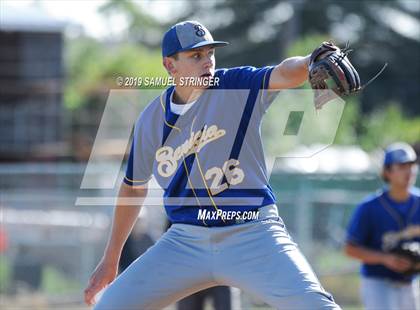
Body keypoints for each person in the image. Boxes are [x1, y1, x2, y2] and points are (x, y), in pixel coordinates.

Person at [84, 20, 340, 309]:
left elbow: (283, 73)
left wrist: (309, 62)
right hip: (185, 239)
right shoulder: (151, 119)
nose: (207, 62)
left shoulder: (234, 86)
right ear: (170, 65)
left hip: (253, 231)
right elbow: (133, 190)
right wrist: (110, 261)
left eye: (210, 54)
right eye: (196, 56)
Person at [345, 142, 420, 310]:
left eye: (411, 165)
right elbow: (350, 248)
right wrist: (385, 259)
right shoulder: (370, 207)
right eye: (401, 166)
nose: (409, 171)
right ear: (387, 172)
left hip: (410, 282)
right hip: (377, 282)